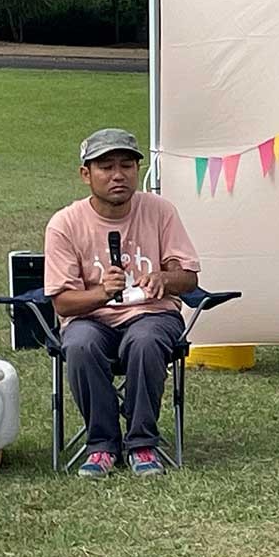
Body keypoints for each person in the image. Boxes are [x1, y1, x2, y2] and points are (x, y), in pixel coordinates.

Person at [44, 128, 200, 478]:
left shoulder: (160, 211)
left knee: (145, 341)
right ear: (86, 174)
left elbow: (189, 278)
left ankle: (142, 443)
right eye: (106, 167)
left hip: (151, 314)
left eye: (127, 165)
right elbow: (64, 304)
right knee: (81, 344)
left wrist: (164, 277)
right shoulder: (65, 224)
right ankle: (102, 445)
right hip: (91, 318)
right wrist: (101, 292)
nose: (118, 175)